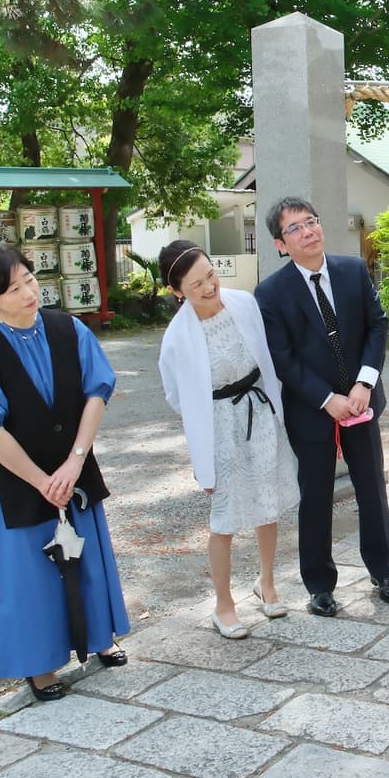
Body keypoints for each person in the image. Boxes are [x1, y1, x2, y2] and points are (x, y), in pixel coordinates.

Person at [0, 246, 128, 703]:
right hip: (17, 477)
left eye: (29, 279)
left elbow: (96, 393)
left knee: (88, 552)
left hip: (75, 464)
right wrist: (40, 480)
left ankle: (99, 636)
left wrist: (74, 461)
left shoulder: (68, 328)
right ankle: (39, 664)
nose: (29, 292)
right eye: (14, 288)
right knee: (29, 570)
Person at [254, 196, 389, 618]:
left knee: (372, 487)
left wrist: (363, 384)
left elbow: (378, 325)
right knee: (315, 495)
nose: (308, 231)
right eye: (295, 228)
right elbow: (283, 358)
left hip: (361, 401)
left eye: (311, 222)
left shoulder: (353, 271)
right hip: (312, 409)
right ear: (280, 244)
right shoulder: (271, 292)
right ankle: (319, 584)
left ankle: (384, 573)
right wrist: (326, 399)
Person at [158, 240, 301, 639]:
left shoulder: (243, 303)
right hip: (221, 424)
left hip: (260, 411)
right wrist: (210, 424)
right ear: (176, 292)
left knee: (267, 501)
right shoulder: (177, 338)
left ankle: (267, 582)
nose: (208, 287)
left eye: (210, 275)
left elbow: (264, 358)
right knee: (224, 517)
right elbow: (175, 395)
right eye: (195, 284)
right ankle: (224, 604)